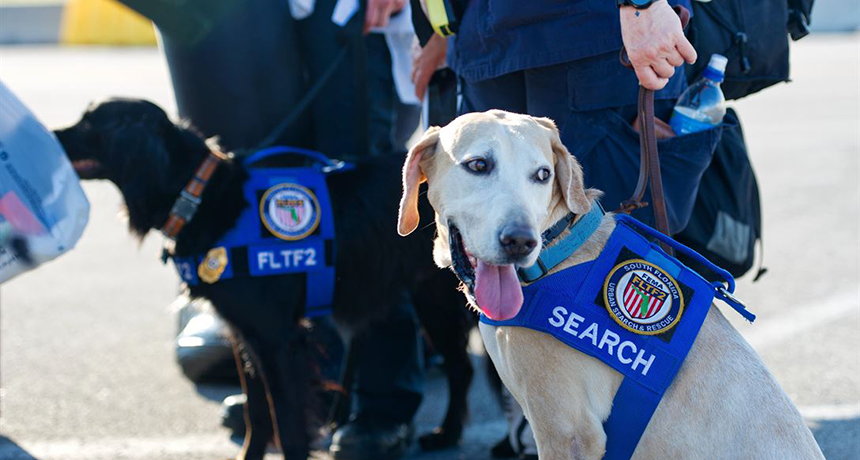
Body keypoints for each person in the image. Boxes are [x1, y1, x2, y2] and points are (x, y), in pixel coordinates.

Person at [411, 0, 727, 457]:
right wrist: (442, 27)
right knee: (546, 388)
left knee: (613, 310)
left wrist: (641, 6)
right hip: (484, 41)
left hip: (591, 39)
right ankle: (533, 433)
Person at [161, 1, 426, 459]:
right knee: (286, 227)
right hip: (271, 24)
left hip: (352, 17)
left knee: (368, 227)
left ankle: (384, 411)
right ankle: (311, 393)